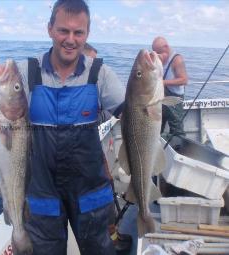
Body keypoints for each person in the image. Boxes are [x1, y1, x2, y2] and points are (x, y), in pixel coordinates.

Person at [0, 1, 125, 254]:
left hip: (89, 191)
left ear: (87, 34)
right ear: (50, 29)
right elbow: (6, 108)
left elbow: (132, 114)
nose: (70, 39)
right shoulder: (27, 72)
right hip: (41, 194)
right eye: (63, 31)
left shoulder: (101, 74)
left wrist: (150, 100)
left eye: (78, 32)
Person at [82, 42, 132, 252]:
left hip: (93, 146)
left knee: (106, 189)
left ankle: (110, 234)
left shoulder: (95, 82)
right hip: (86, 154)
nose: (93, 65)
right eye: (90, 60)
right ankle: (109, 238)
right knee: (103, 191)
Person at [152, 36, 188, 137]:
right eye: (156, 52)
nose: (158, 55)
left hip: (174, 99)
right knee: (158, 126)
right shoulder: (162, 58)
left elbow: (184, 80)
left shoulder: (177, 59)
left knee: (177, 130)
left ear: (166, 47)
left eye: (159, 52)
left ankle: (179, 147)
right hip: (162, 97)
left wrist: (163, 82)